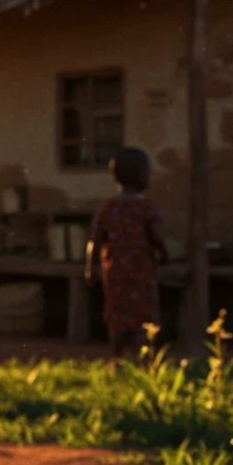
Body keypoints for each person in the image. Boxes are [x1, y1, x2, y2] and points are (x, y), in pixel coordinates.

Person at [85, 147, 169, 358]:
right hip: (142, 274)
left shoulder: (108, 207)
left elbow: (93, 242)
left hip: (115, 275)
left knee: (117, 316)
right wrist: (165, 254)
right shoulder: (145, 207)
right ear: (141, 176)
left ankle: (117, 357)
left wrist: (90, 269)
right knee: (145, 317)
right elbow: (157, 236)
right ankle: (146, 359)